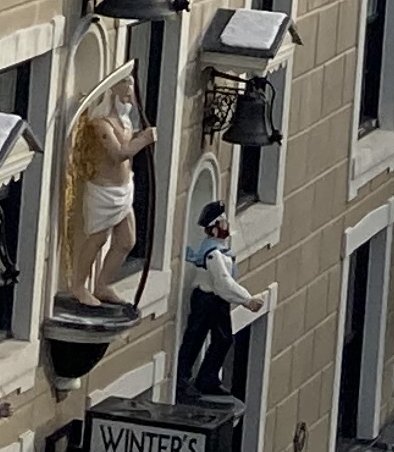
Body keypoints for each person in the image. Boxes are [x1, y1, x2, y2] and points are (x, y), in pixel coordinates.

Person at [61, 74, 156, 306]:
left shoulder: (123, 121)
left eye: (132, 86)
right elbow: (117, 155)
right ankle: (77, 286)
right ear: (112, 92)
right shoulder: (101, 125)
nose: (131, 92)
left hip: (124, 189)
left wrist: (139, 139)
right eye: (126, 86)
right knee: (97, 239)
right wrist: (143, 140)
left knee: (126, 240)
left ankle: (102, 285)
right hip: (104, 192)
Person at [179, 202, 264, 396]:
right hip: (207, 299)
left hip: (217, 300)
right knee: (196, 337)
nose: (227, 226)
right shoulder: (213, 255)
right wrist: (247, 299)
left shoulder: (219, 250)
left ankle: (207, 378)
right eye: (223, 222)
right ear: (215, 227)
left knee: (222, 338)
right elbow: (223, 282)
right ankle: (184, 378)